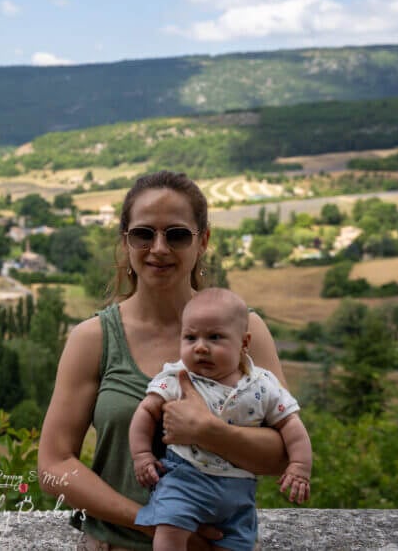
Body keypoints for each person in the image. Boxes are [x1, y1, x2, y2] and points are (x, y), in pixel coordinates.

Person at [38, 170, 291, 551]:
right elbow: (53, 466)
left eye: (176, 235)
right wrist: (151, 524)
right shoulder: (93, 340)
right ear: (125, 242)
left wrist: (209, 431)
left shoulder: (246, 332)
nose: (159, 248)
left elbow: (284, 454)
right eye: (143, 234)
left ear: (202, 241)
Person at [130, 288, 312, 551]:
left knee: (238, 542)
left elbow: (292, 426)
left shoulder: (262, 385)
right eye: (190, 337)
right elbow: (146, 412)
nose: (201, 347)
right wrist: (142, 455)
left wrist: (299, 467)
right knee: (169, 526)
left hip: (238, 490)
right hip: (185, 478)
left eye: (215, 337)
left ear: (244, 343)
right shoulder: (177, 377)